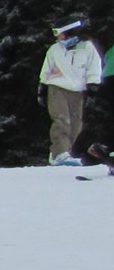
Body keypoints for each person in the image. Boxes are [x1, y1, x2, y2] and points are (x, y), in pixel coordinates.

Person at [37, 20, 101, 167]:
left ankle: (69, 152)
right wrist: (42, 89)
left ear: (69, 32)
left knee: (76, 122)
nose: (57, 37)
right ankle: (59, 152)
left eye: (58, 33)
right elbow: (46, 70)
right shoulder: (55, 49)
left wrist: (92, 88)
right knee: (61, 120)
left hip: (78, 90)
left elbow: (94, 68)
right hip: (57, 88)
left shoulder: (87, 48)